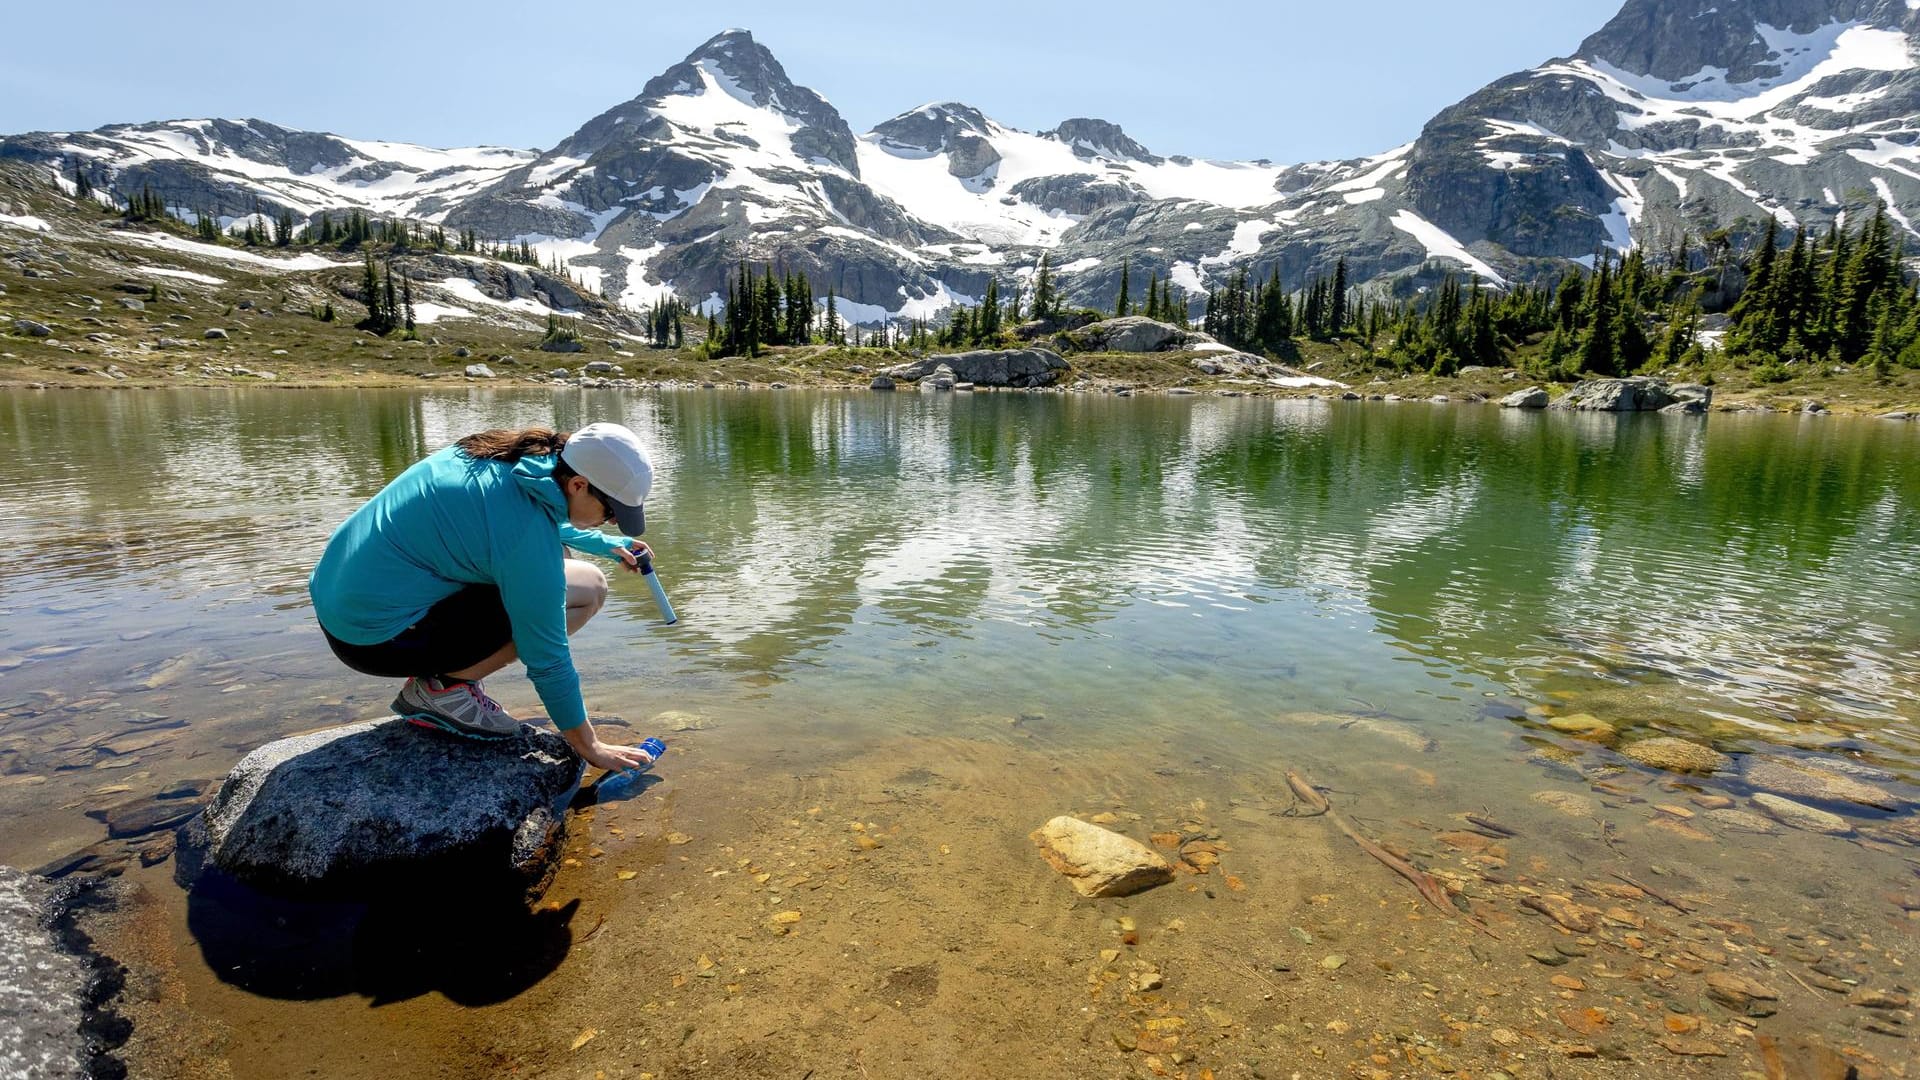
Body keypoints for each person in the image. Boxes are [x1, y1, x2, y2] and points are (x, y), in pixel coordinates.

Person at [308, 423, 658, 772]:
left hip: (341, 605)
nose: (612, 522)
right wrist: (590, 745)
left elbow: (516, 519)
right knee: (588, 589)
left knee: (558, 560)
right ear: (579, 485)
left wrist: (605, 545)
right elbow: (547, 658)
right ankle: (444, 691)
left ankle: (444, 678)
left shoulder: (504, 456)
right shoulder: (523, 534)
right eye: (611, 512)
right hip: (373, 640)